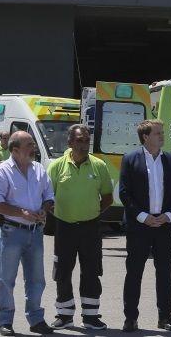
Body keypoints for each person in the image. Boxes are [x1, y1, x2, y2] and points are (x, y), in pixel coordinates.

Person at [119, 120, 171, 332]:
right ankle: (130, 318)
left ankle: (165, 317)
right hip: (139, 225)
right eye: (157, 133)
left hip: (164, 225)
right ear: (145, 137)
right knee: (134, 273)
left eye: (162, 132)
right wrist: (142, 216)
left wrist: (169, 215)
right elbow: (124, 193)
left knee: (164, 273)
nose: (162, 136)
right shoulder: (130, 159)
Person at [47, 125, 113, 330]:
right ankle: (64, 315)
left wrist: (93, 213)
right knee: (62, 272)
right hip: (64, 227)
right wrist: (59, 213)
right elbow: (47, 197)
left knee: (92, 271)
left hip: (90, 228)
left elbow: (108, 197)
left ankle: (91, 317)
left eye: (86, 141)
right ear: (69, 142)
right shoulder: (56, 166)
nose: (84, 145)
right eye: (79, 140)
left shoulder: (99, 165)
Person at [0, 131, 54, 335]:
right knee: (5, 279)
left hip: (35, 232)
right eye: (29, 145)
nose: (34, 148)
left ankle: (36, 319)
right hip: (11, 231)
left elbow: (49, 196)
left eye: (33, 144)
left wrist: (44, 209)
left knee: (37, 279)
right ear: (15, 150)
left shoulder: (39, 169)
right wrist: (21, 213)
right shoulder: (3, 171)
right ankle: (5, 320)